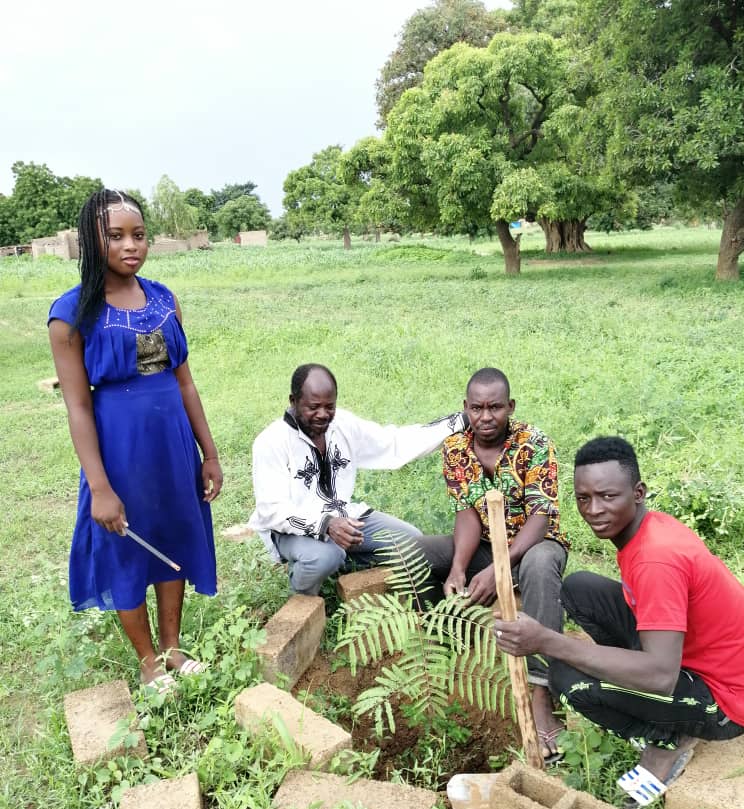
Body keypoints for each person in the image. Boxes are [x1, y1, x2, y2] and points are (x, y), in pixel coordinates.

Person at [495, 436, 744, 807]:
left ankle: (666, 742)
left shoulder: (656, 560)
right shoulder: (647, 531)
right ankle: (650, 704)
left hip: (726, 700)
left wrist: (546, 640)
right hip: (692, 656)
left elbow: (660, 675)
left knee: (568, 678)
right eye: (584, 498)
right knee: (581, 588)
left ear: (638, 492)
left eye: (608, 496)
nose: (594, 509)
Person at [48, 189, 222, 695]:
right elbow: (78, 406)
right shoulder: (71, 315)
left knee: (170, 539)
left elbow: (185, 382)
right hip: (120, 451)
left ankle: (172, 646)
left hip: (172, 447)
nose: (132, 245)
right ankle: (148, 661)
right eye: (117, 235)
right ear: (91, 240)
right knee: (126, 548)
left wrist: (208, 453)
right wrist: (100, 486)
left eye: (139, 235)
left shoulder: (166, 300)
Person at [416, 368, 570, 762]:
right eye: (477, 408)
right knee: (419, 552)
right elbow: (467, 514)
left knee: (538, 566)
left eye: (495, 408)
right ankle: (447, 640)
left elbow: (542, 515)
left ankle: (541, 691)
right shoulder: (455, 448)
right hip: (486, 544)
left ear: (510, 407)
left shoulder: (534, 444)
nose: (486, 417)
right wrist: (458, 568)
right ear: (466, 408)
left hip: (534, 546)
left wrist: (502, 566)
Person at [249, 363, 468, 595]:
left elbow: (393, 443)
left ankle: (338, 563)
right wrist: (325, 525)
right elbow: (271, 511)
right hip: (292, 530)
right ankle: (303, 594)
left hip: (345, 517)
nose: (323, 414)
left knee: (412, 542)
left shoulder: (342, 425)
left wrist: (460, 422)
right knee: (324, 557)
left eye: (329, 406)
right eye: (313, 407)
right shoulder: (271, 442)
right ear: (293, 401)